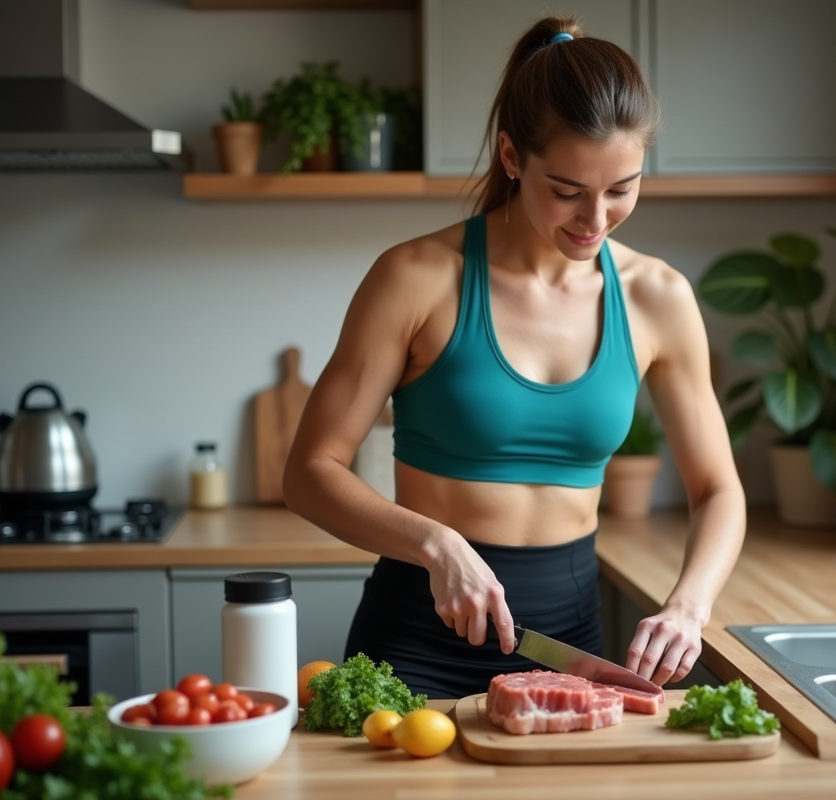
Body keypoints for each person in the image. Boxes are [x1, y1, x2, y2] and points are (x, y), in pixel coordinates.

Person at [282, 16, 746, 699]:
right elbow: (309, 472)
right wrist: (437, 545)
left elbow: (718, 491)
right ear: (510, 157)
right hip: (414, 647)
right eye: (566, 191)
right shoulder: (415, 278)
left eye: (621, 189)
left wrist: (690, 604)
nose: (594, 218)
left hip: (567, 653)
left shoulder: (657, 297)